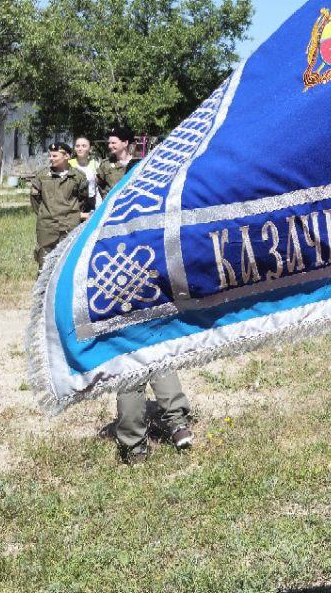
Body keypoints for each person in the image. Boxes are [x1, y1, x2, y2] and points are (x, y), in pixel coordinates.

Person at [96, 125, 197, 463]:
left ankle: (134, 443)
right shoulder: (162, 197)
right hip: (157, 270)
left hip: (119, 273)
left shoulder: (112, 207)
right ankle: (178, 423)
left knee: (129, 357)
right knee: (157, 348)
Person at [30, 141, 92, 267]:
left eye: (55, 156)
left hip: (70, 225)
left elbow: (82, 199)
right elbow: (35, 200)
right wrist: (45, 213)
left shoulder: (78, 177)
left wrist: (72, 214)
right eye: (50, 155)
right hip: (47, 226)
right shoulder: (42, 176)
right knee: (45, 261)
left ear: (67, 157)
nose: (51, 159)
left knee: (68, 261)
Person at [98, 125, 140, 197]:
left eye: (113, 143)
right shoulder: (105, 164)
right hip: (111, 206)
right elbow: (99, 185)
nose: (110, 146)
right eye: (109, 143)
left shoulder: (138, 163)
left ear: (125, 143)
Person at [71, 136, 101, 204]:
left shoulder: (95, 164)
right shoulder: (69, 164)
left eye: (84, 146)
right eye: (77, 146)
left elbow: (98, 188)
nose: (80, 149)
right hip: (74, 202)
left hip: (92, 202)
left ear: (90, 149)